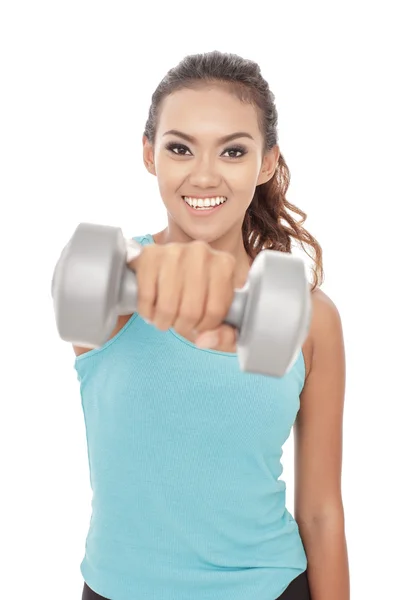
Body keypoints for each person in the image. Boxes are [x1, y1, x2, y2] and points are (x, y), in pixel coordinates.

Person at [75, 51, 349, 600]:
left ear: (266, 162)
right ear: (149, 155)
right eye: (180, 148)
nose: (204, 174)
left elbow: (320, 512)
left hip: (269, 587)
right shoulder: (107, 288)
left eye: (233, 151)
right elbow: (85, 268)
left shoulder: (312, 317)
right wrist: (159, 270)